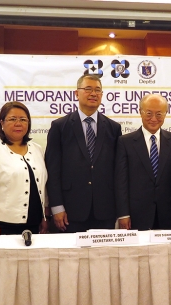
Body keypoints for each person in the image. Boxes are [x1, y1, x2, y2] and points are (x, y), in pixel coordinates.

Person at [45, 74, 122, 233]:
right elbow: (52, 170)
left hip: (105, 210)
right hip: (70, 211)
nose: (93, 94)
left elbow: (118, 171)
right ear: (76, 93)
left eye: (98, 90)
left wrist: (120, 210)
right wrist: (57, 207)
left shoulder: (113, 128)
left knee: (103, 256)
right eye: (88, 89)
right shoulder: (60, 126)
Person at [0, 101, 48, 244]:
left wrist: (44, 217)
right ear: (2, 122)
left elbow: (41, 187)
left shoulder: (37, 149)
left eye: (23, 119)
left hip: (34, 224)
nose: (18, 123)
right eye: (12, 119)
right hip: (1, 226)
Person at [115, 94, 171, 230]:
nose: (154, 118)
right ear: (140, 112)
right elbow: (121, 181)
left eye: (159, 114)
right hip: (136, 213)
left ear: (166, 114)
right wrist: (123, 214)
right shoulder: (125, 142)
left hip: (169, 213)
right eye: (149, 113)